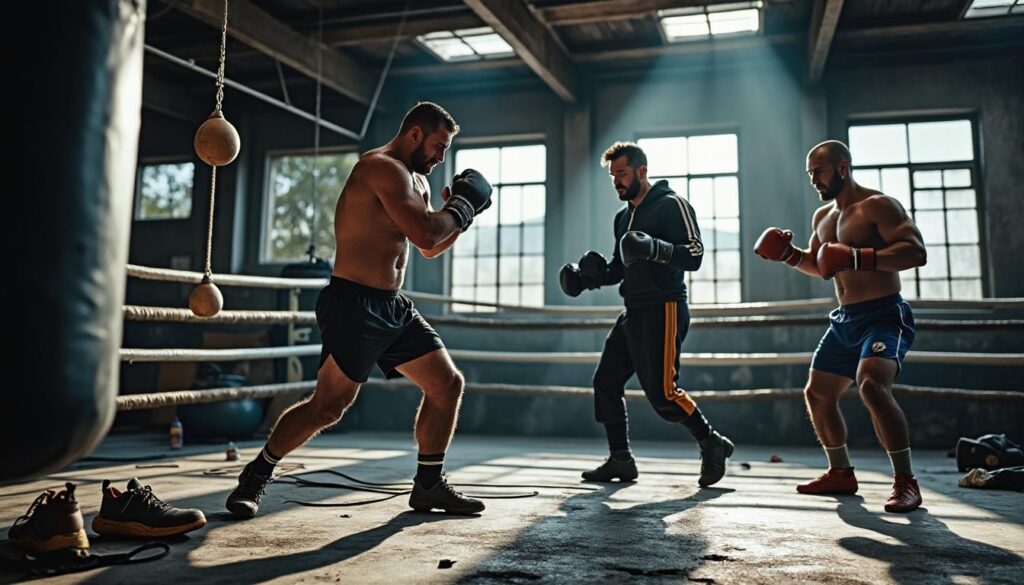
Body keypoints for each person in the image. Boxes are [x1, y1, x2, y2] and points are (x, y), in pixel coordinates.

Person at [226, 102, 493, 517]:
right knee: (328, 406)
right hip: (353, 302)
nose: (442, 157)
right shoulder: (381, 168)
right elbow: (426, 229)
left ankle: (428, 485)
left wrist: (464, 215)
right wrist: (460, 208)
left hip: (393, 305)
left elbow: (427, 247)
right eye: (439, 146)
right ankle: (257, 474)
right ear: (415, 134)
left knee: (447, 385)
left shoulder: (417, 182)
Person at [754, 139, 927, 512]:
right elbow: (821, 266)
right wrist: (788, 255)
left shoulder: (878, 206)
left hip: (883, 314)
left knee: (872, 386)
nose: (814, 180)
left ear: (843, 168)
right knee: (817, 394)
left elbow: (915, 252)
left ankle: (905, 481)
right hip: (845, 319)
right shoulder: (824, 217)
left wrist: (857, 256)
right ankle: (841, 472)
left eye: (819, 171)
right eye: (810, 174)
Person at [559, 141, 734, 487]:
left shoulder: (672, 205)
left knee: (663, 393)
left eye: (622, 174)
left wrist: (655, 248)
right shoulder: (623, 217)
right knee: (605, 382)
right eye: (613, 177)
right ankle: (620, 460)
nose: (617, 183)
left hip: (664, 308)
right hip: (633, 312)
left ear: (642, 170)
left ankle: (711, 442)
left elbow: (695, 254)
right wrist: (587, 279)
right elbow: (622, 266)